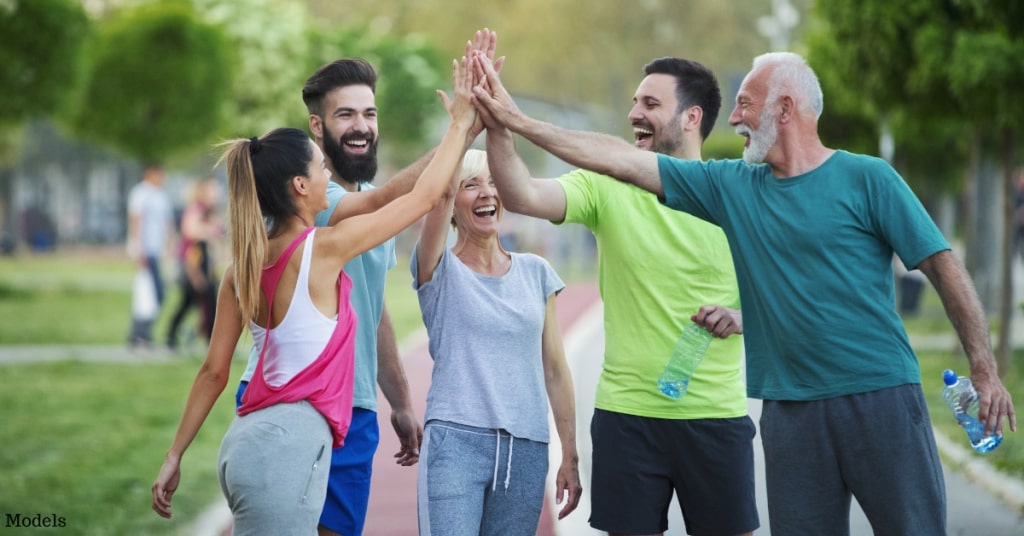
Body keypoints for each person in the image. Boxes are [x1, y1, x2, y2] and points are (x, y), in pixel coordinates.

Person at [471, 51, 1016, 534]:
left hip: (879, 399)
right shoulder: (732, 187)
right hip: (789, 413)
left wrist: (985, 370)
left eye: (745, 104)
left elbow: (943, 267)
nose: (732, 119)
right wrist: (513, 123)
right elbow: (619, 158)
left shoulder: (867, 178)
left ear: (784, 108)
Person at [151, 55, 477, 533]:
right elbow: (421, 199)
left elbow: (212, 371)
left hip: (247, 440)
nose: (328, 175)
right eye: (321, 167)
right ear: (301, 185)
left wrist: (173, 456)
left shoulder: (239, 267)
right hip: (301, 435)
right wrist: (462, 127)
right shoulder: (326, 245)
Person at [233, 31, 502, 536]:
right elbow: (402, 198)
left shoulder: (373, 206)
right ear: (317, 127)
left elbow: (371, 308)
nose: (361, 127)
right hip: (294, 401)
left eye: (369, 114)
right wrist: (461, 132)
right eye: (346, 115)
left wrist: (399, 401)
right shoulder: (319, 200)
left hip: (353, 406)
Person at [482, 57, 756, 536]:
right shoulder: (605, 186)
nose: (635, 114)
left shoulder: (735, 192)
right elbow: (522, 194)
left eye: (651, 103)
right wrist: (499, 126)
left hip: (715, 418)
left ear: (691, 118)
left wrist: (742, 316)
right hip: (627, 419)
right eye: (634, 102)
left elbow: (787, 294)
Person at [412, 149, 581, 534]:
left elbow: (555, 370)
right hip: (455, 443)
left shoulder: (537, 273)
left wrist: (569, 453)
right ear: (452, 204)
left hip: (526, 448)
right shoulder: (439, 269)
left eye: (493, 182)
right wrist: (465, 130)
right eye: (470, 185)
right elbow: (435, 196)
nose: (486, 193)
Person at [166, 177, 222, 350]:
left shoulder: (207, 212)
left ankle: (207, 339)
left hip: (203, 261)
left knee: (208, 301)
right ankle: (173, 336)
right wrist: (210, 231)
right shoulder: (195, 209)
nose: (217, 195)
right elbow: (189, 231)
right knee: (193, 300)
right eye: (213, 191)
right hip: (192, 262)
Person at [126, 163, 174, 349]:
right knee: (146, 295)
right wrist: (138, 249)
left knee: (158, 295)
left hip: (158, 251)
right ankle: (139, 336)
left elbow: (167, 223)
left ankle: (141, 333)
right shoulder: (140, 194)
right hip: (146, 251)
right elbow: (136, 221)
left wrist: (170, 245)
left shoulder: (161, 196)